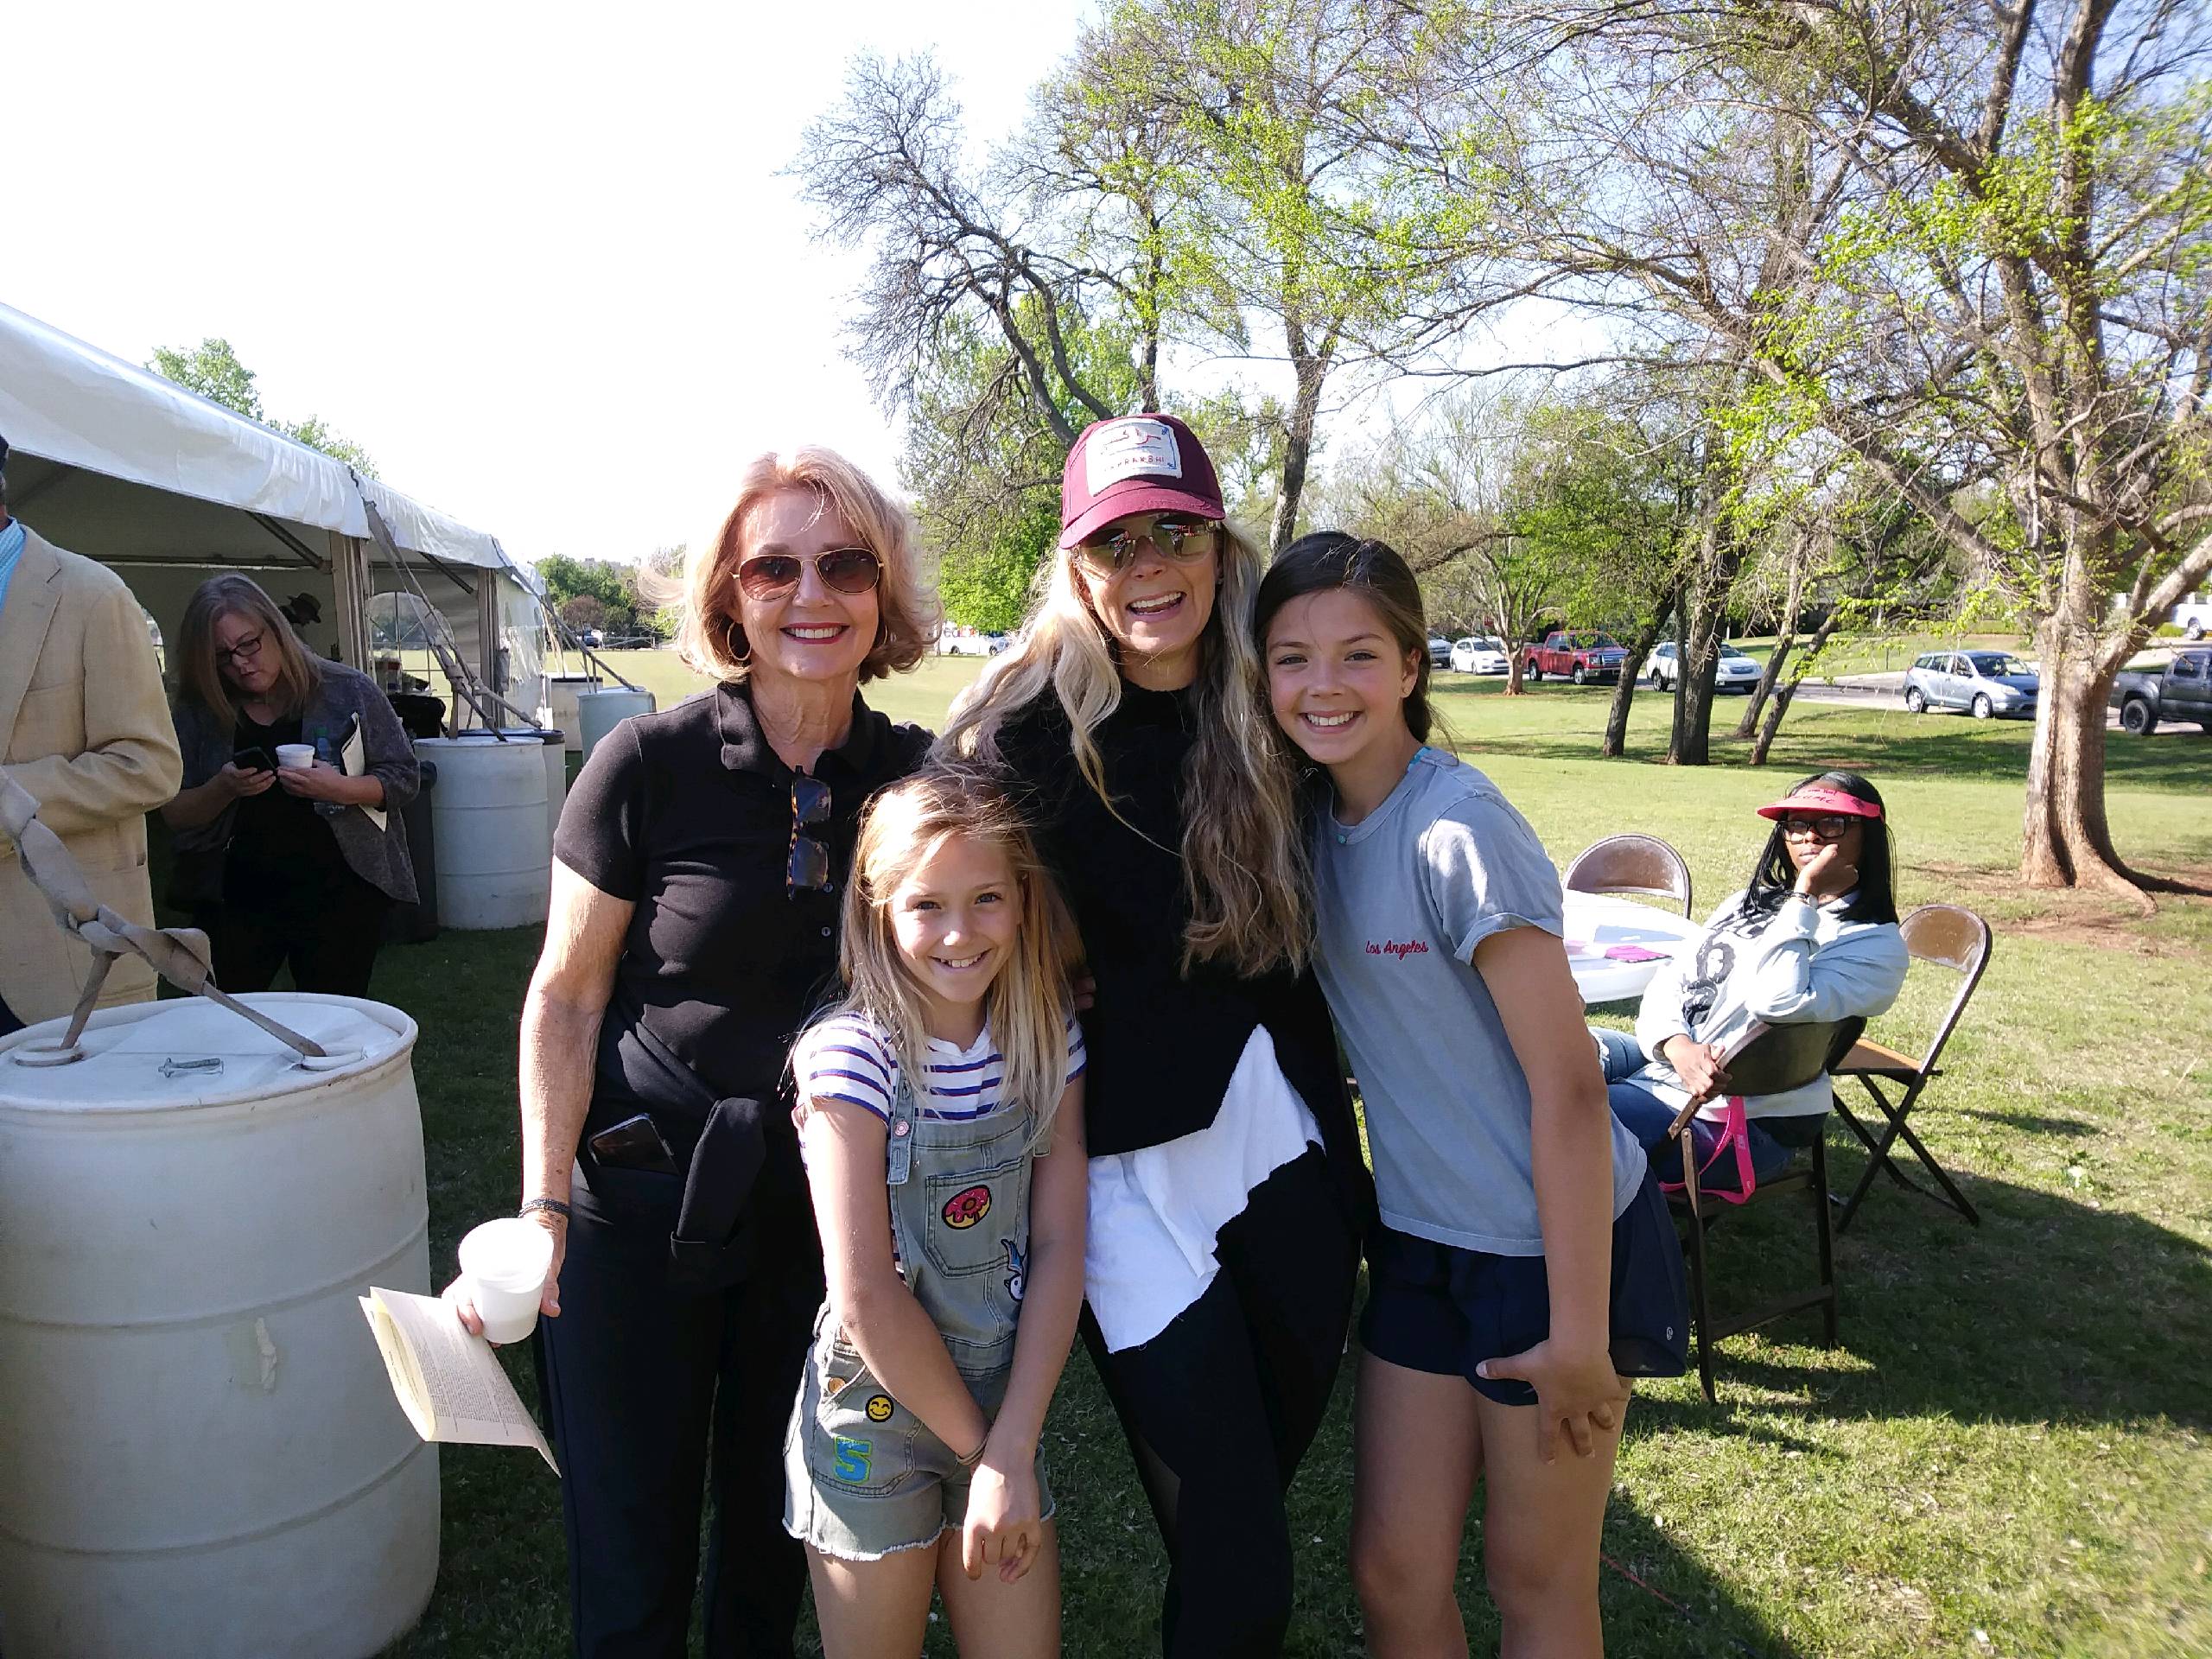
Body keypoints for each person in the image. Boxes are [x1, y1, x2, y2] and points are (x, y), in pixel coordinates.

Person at [454, 448, 936, 1659]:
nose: (810, 592)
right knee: (631, 1556)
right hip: (637, 1205)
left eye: (844, 565)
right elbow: (565, 995)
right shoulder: (646, 765)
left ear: (882, 593)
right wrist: (544, 1205)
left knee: (779, 1544)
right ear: (730, 594)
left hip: (828, 1224)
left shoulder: (916, 778)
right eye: (774, 565)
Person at [943, 414, 1370, 1658]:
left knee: (1255, 1492)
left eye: (1173, 531)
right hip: (1117, 1171)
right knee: (1239, 1539)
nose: (1147, 566)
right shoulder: (1017, 732)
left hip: (1280, 1138)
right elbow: (916, 892)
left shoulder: (1281, 699)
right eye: (1113, 540)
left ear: (1218, 543)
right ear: (1076, 566)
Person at [1255, 532, 1688, 1658]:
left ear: (1410, 666)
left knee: (1535, 1580)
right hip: (1418, 1242)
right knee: (1394, 1572)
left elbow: (1573, 1091)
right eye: (1292, 658)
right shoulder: (1306, 826)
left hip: (1552, 1249)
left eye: (1357, 654)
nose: (1323, 685)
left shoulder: (1459, 832)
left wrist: (1584, 1339)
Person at [785, 766, 1087, 1658]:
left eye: (987, 897)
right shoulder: (850, 1058)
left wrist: (1014, 1445)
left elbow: (1063, 1240)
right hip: (871, 1420)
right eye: (926, 906)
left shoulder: (1047, 1035)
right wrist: (985, 1455)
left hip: (1005, 1404)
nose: (960, 933)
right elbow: (867, 1295)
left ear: (1024, 901)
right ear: (878, 910)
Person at [1592, 770, 1909, 1195]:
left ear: (1868, 835)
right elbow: (1674, 978)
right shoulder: (1746, 904)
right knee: (1538, 1057)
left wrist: (1805, 898)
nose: (1809, 836)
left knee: (1564, 1114)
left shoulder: (1874, 947)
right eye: (1796, 823)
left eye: (1831, 824)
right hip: (1673, 1064)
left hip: (1739, 1113)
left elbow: (1775, 1002)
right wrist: (1675, 1046)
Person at [161, 575, 420, 997]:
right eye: (222, 657)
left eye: (249, 644)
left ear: (276, 629)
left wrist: (340, 789)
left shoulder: (346, 690)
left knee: (331, 1031)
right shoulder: (201, 711)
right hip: (235, 898)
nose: (241, 663)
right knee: (227, 1022)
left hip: (340, 894)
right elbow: (173, 812)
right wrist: (223, 788)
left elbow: (405, 778)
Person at [0, 430, 182, 1030]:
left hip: (56, 958)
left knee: (51, 1125)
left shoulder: (91, 595)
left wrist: (10, 802)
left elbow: (150, 765)